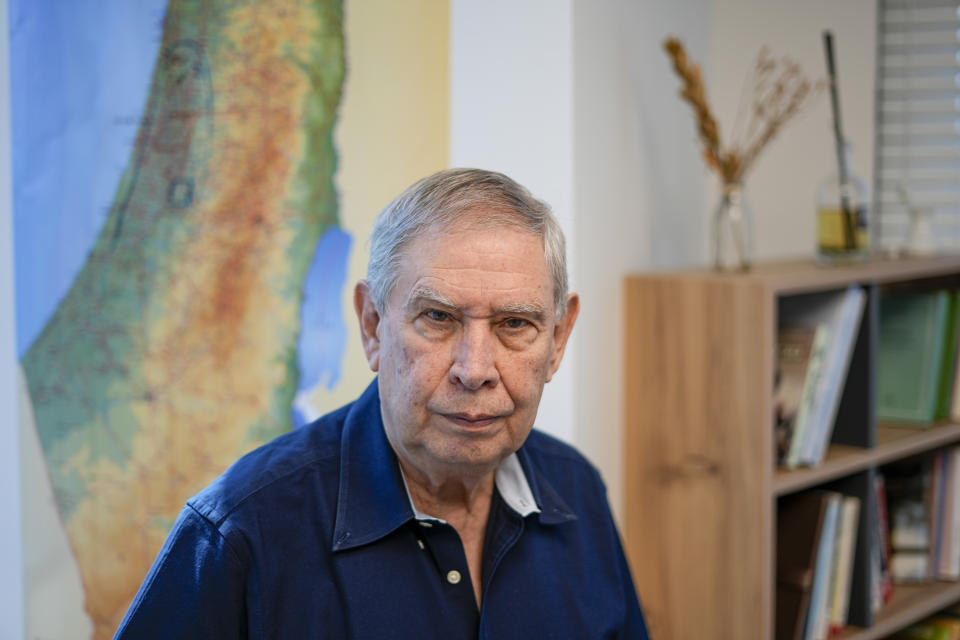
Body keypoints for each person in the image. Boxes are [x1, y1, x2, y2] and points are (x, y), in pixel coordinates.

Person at [114, 168, 649, 639]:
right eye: (438, 318)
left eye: (515, 324)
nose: (475, 369)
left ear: (558, 339)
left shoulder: (577, 491)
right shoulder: (242, 530)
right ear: (372, 325)